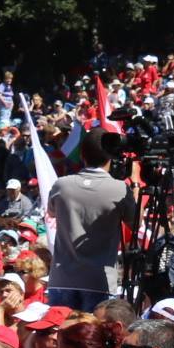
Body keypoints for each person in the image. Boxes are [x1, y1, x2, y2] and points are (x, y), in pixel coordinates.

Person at [45, 133, 133, 311]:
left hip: (62, 279)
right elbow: (134, 223)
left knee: (60, 335)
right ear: (111, 157)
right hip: (99, 282)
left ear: (82, 156)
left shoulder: (61, 185)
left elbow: (51, 213)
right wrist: (136, 186)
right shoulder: (120, 188)